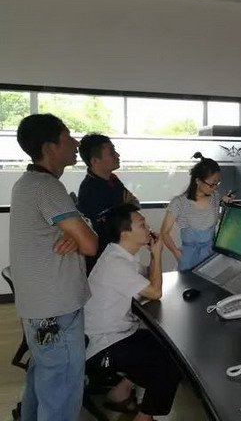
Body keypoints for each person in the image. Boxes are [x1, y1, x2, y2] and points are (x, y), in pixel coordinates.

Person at [10, 114, 98, 420]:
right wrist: (81, 232)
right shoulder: (47, 187)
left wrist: (77, 230)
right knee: (61, 396)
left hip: (39, 309)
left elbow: (80, 233)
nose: (75, 142)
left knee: (43, 381)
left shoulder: (27, 183)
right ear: (50, 147)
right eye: (68, 137)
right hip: (57, 312)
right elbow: (90, 244)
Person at [84, 204, 181, 421]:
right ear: (125, 233)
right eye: (142, 224)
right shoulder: (115, 264)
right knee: (170, 365)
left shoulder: (119, 255)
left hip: (116, 333)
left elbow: (146, 279)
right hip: (104, 344)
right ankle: (144, 418)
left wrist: (153, 258)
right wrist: (157, 254)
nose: (148, 227)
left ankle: (119, 393)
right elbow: (155, 291)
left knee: (167, 344)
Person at [160, 152, 235, 271]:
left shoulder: (215, 196)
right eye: (212, 184)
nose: (215, 187)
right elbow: (164, 232)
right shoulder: (179, 202)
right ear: (198, 181)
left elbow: (218, 218)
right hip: (189, 257)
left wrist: (227, 204)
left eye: (217, 183)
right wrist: (176, 253)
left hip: (211, 255)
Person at [77, 133, 139, 274]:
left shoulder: (113, 180)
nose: (117, 155)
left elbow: (134, 204)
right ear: (95, 161)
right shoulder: (90, 190)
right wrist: (125, 208)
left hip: (119, 253)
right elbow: (106, 226)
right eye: (111, 152)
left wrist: (124, 209)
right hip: (102, 261)